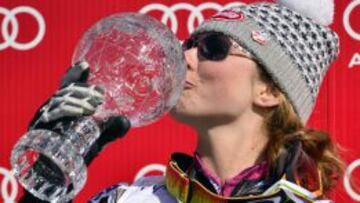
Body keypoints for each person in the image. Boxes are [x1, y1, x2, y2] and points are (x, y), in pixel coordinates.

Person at [20, 1, 344, 202]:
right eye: (189, 43)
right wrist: (45, 187)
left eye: (212, 47)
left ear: (270, 91)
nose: (183, 58)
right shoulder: (127, 199)